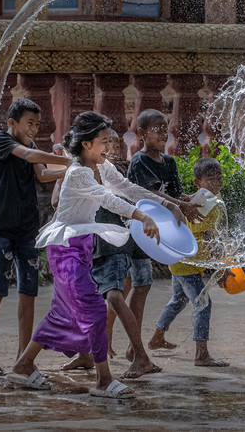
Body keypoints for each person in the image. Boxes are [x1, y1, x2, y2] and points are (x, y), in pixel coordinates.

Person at [8, 111, 185, 398]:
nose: (109, 147)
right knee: (93, 309)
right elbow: (108, 199)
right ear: (87, 144)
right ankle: (103, 380)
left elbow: (127, 188)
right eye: (104, 141)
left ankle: (24, 365)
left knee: (61, 312)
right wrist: (142, 216)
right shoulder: (77, 172)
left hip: (81, 248)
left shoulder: (101, 167)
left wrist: (168, 204)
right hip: (65, 249)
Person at [56, 128, 162, 378]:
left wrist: (162, 207)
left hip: (113, 245)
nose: (110, 151)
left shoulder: (108, 170)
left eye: (112, 145)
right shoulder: (83, 172)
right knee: (84, 299)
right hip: (90, 246)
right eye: (105, 145)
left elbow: (119, 197)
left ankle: (140, 356)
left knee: (114, 298)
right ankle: (86, 354)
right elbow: (59, 204)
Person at [0, 99, 71, 376]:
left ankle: (23, 357)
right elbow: (32, 158)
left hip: (27, 229)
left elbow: (41, 174)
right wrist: (67, 159)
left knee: (28, 291)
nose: (34, 129)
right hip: (1, 228)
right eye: (29, 123)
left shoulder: (30, 147)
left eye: (37, 124)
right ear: (12, 123)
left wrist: (74, 170)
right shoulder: (1, 141)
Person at [126, 109, 203, 362]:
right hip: (137, 230)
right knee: (131, 287)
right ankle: (129, 346)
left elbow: (176, 194)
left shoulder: (168, 162)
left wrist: (196, 200)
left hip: (158, 233)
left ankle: (133, 347)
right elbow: (150, 195)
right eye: (157, 129)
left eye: (165, 128)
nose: (163, 133)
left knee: (139, 287)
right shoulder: (139, 161)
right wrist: (177, 206)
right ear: (141, 133)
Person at [148, 157, 230, 367]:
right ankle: (201, 354)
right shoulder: (206, 201)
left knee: (179, 299)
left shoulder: (205, 197)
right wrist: (220, 260)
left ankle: (157, 337)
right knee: (203, 303)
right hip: (188, 263)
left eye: (219, 177)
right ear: (198, 182)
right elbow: (209, 234)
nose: (216, 182)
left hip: (183, 260)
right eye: (210, 179)